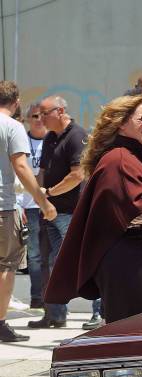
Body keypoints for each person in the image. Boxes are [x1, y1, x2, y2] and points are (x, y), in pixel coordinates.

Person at [43, 95, 142, 323]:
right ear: (121, 123)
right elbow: (137, 212)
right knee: (132, 334)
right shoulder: (119, 160)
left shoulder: (130, 156)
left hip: (135, 262)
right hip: (127, 265)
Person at [0, 81, 56, 342]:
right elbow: (21, 166)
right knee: (6, 265)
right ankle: (0, 324)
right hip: (3, 206)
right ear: (17, 101)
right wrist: (43, 202)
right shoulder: (12, 128)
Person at [27, 96, 87, 329]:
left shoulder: (76, 136)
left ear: (60, 111)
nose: (41, 119)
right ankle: (53, 314)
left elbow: (77, 175)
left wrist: (48, 193)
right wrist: (42, 199)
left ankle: (98, 311)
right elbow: (42, 171)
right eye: (38, 114)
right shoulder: (51, 137)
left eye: (44, 113)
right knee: (47, 262)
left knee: (80, 262)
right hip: (49, 211)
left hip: (70, 212)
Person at [15, 103, 47, 309]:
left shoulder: (52, 140)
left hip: (50, 204)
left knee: (52, 255)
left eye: (42, 115)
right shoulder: (22, 140)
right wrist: (20, 206)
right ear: (28, 119)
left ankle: (54, 298)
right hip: (29, 205)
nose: (39, 119)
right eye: (34, 115)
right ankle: (37, 296)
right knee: (34, 255)